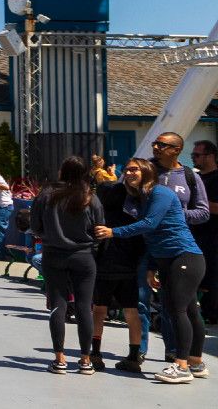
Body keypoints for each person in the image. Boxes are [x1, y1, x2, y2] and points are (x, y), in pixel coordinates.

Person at [97, 148, 208, 384]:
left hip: (184, 256)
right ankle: (196, 362)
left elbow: (149, 224)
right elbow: (151, 237)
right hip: (168, 260)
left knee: (177, 310)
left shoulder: (160, 193)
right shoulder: (143, 198)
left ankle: (181, 366)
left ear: (147, 172)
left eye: (134, 169)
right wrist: (150, 266)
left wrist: (112, 232)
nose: (128, 173)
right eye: (126, 170)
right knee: (189, 311)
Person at [33, 156, 106, 373]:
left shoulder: (46, 195)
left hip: (54, 254)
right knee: (85, 306)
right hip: (84, 256)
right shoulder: (90, 198)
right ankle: (85, 359)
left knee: (58, 304)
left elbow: (36, 227)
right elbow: (100, 229)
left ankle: (59, 358)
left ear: (62, 172)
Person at [150, 130, 213, 366]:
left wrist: (176, 215)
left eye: (162, 145)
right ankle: (184, 357)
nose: (156, 148)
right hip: (154, 248)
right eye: (155, 144)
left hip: (182, 247)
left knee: (183, 307)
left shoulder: (189, 176)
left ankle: (185, 361)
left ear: (176, 150)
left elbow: (203, 212)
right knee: (172, 306)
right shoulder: (147, 171)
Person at [96, 159, 154, 374]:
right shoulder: (137, 208)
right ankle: (134, 355)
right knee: (133, 310)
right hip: (131, 264)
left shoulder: (101, 216)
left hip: (104, 263)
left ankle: (94, 354)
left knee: (99, 309)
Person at [193, 141, 218, 325]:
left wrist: (198, 205)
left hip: (213, 237)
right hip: (195, 235)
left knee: (212, 278)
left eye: (197, 155)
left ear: (210, 156)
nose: (194, 158)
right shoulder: (194, 178)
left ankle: (212, 314)